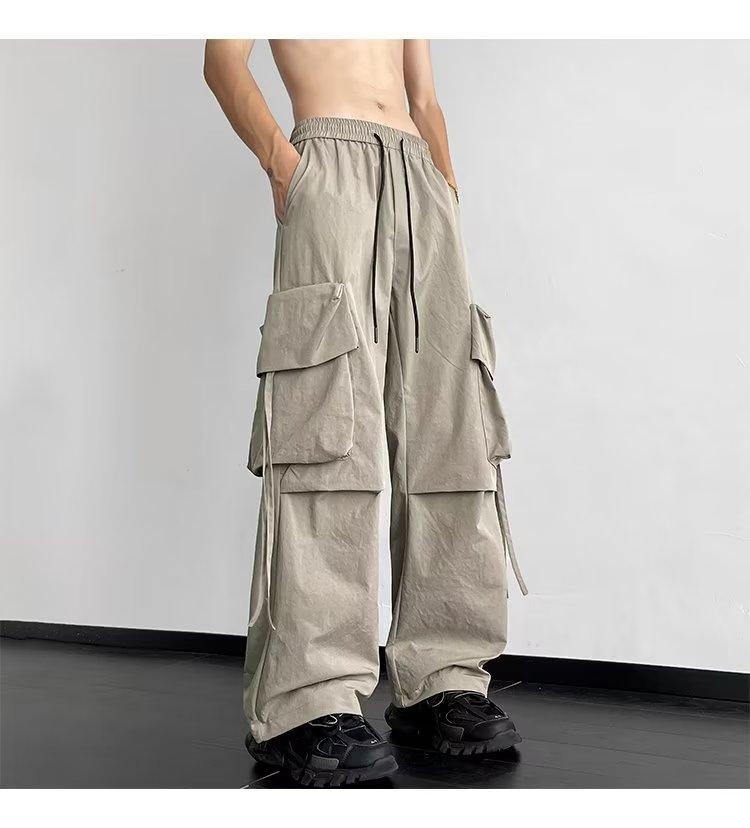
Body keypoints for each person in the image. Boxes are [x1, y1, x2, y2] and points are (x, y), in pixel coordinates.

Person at [204, 39, 527, 787]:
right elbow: (222, 58)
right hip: (328, 163)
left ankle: (442, 678)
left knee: (452, 430)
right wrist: (285, 166)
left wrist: (445, 185)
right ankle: (306, 700)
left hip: (419, 175)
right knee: (326, 425)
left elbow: (424, 95)